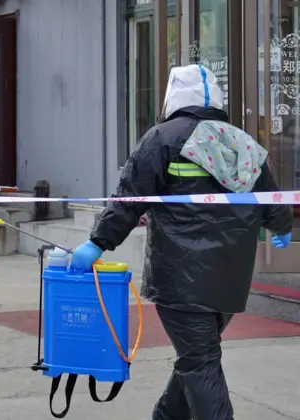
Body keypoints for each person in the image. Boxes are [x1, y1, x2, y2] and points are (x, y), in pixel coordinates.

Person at [69, 64, 293, 420]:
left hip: (181, 278)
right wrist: (281, 226)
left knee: (199, 360)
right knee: (198, 355)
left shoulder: (162, 138)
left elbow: (131, 198)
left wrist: (98, 242)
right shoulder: (240, 141)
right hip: (230, 281)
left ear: (173, 96)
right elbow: (270, 195)